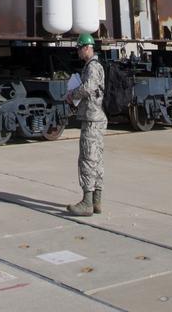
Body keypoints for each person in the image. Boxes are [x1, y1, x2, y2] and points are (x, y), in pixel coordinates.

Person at [66, 31, 106, 216]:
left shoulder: (92, 67)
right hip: (96, 118)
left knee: (87, 160)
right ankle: (96, 201)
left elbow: (89, 87)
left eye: (79, 48)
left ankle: (87, 203)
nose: (78, 52)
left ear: (87, 48)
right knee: (96, 159)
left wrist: (72, 94)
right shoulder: (95, 66)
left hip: (92, 119)